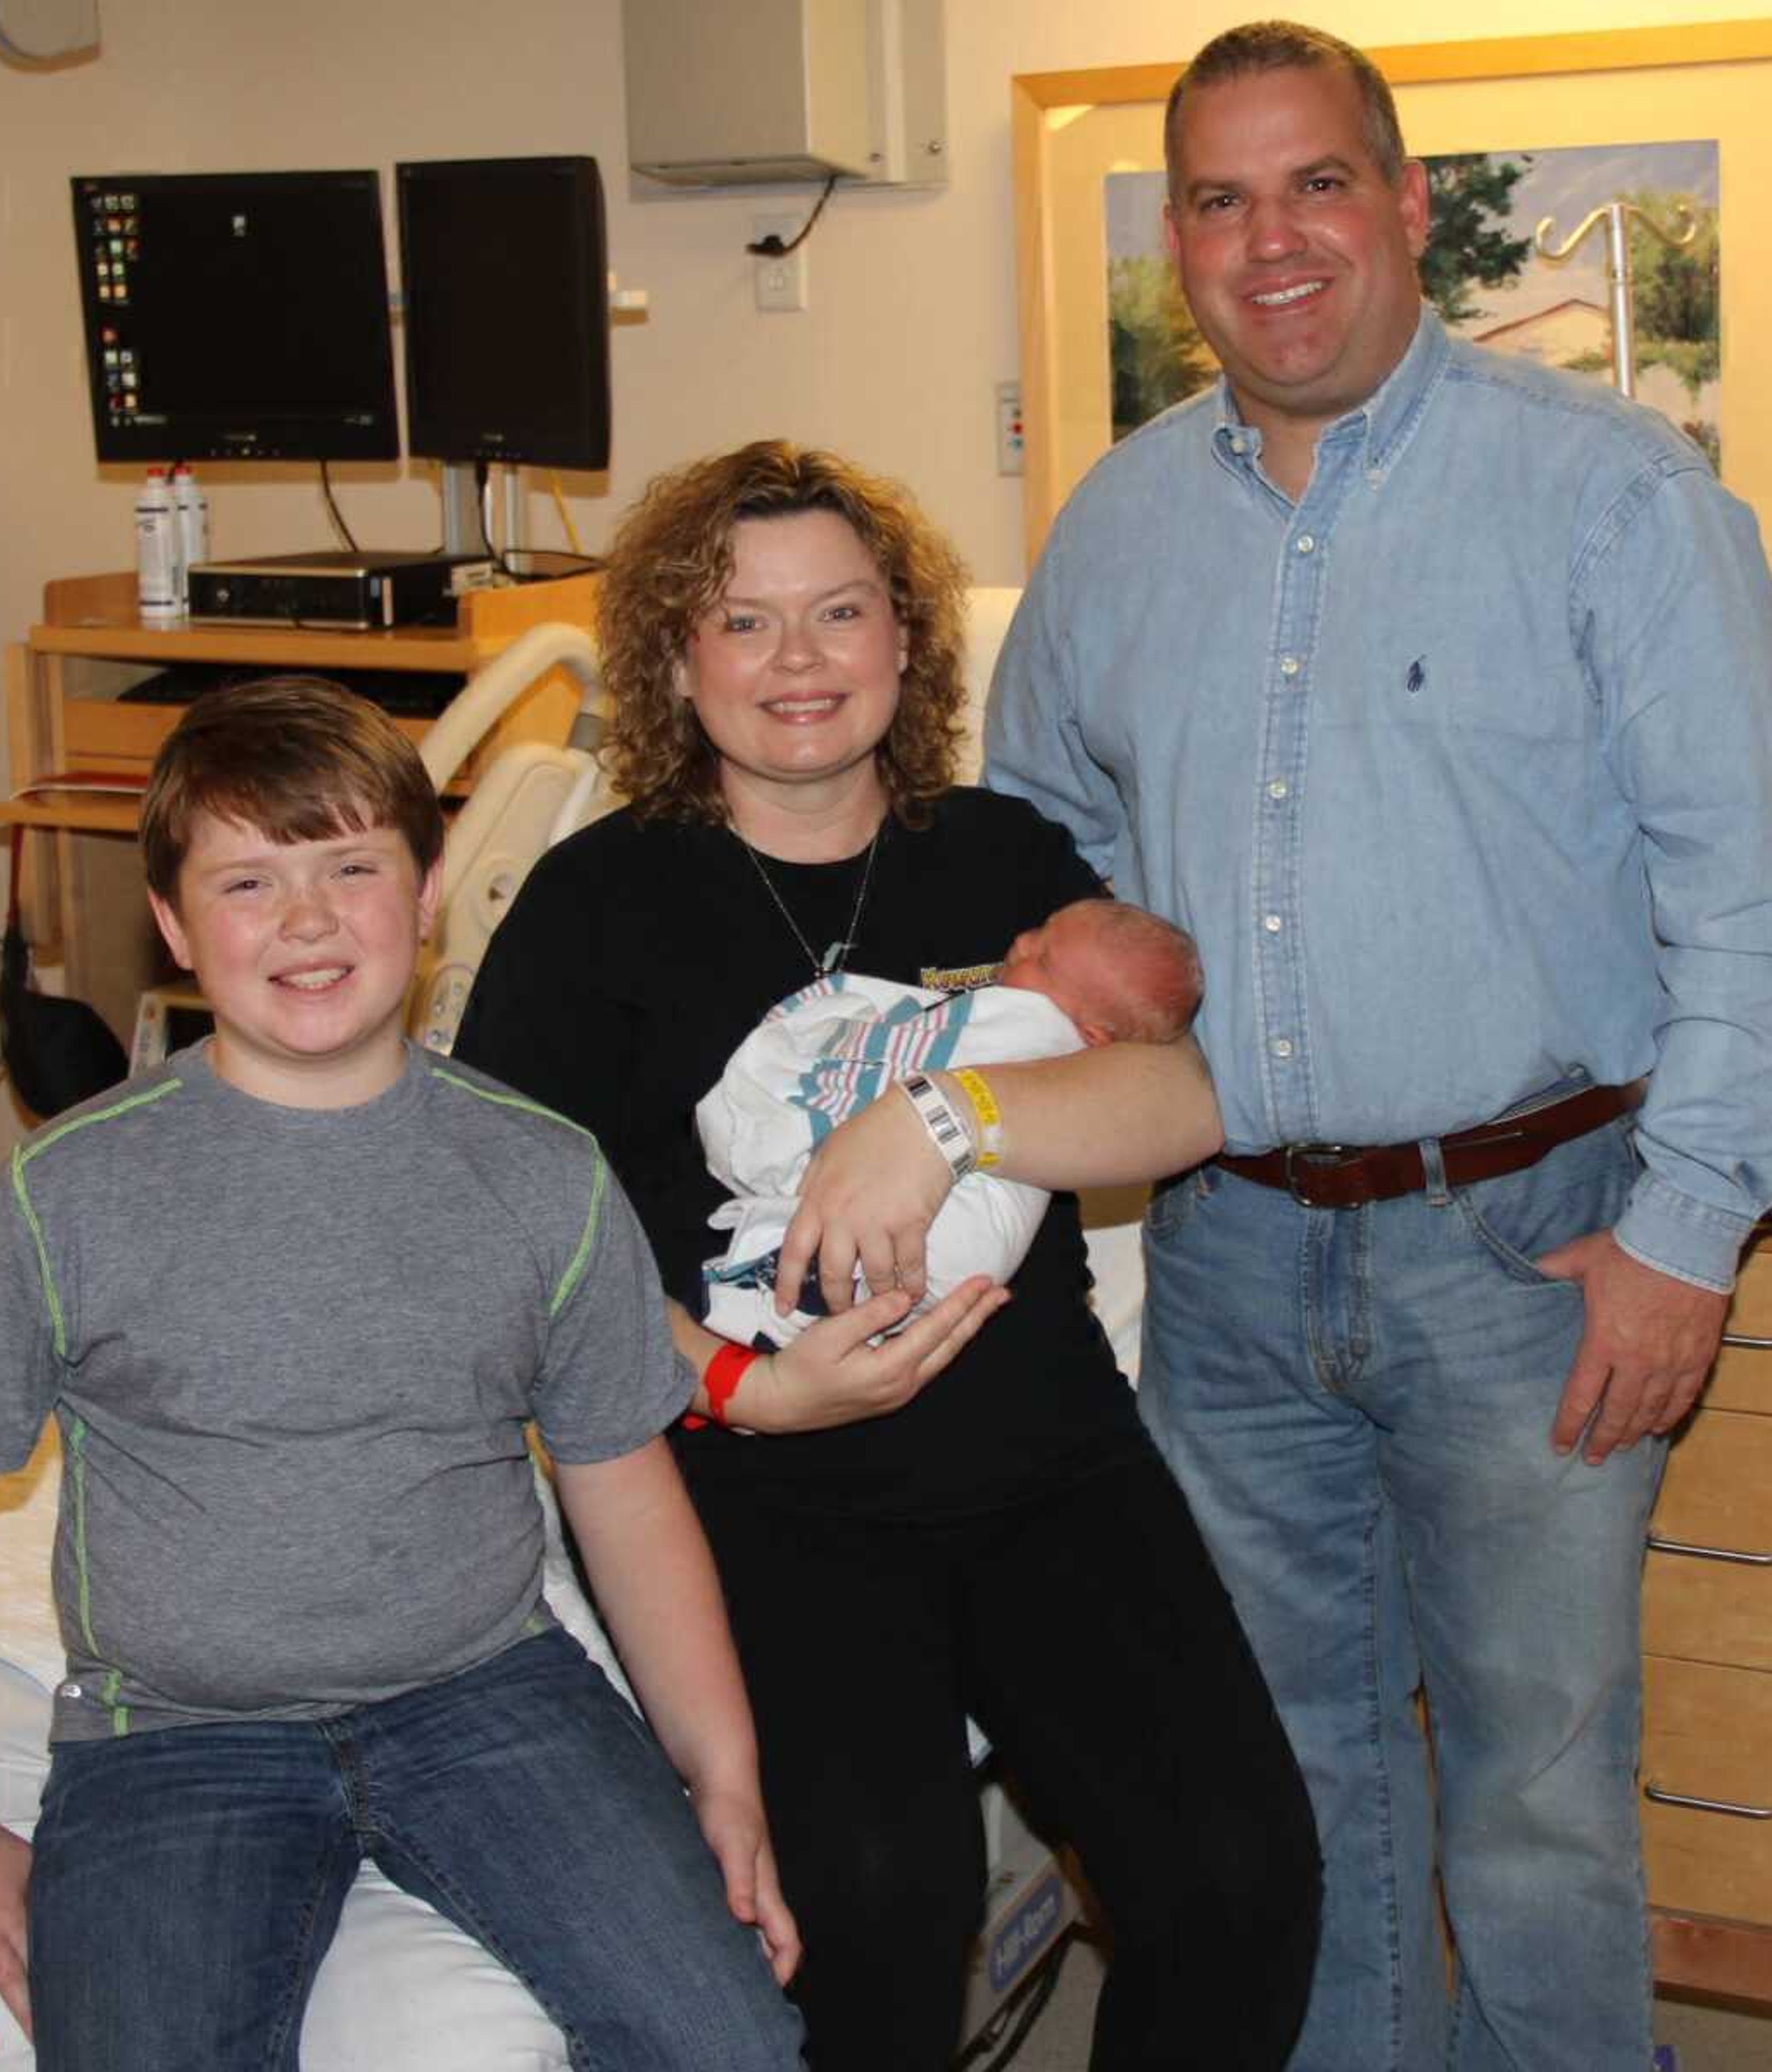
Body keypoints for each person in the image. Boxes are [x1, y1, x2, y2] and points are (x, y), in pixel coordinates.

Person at [945, 21, 1772, 2070]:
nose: (1276, 243)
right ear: (1181, 234)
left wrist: (1688, 1232)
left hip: (1531, 1252)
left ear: (1410, 203)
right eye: (1225, 198)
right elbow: (1045, 835)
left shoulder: (1611, 497)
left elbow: (1762, 896)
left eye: (1320, 183)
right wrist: (1060, 967)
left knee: (1534, 1807)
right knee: (1299, 1791)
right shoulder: (1117, 527)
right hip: (1234, 1252)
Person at [454, 441, 1321, 2071]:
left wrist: (940, 1118)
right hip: (754, 1490)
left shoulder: (999, 858)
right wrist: (741, 1390)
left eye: (838, 613)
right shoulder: (594, 907)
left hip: (1044, 1465)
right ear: (673, 656)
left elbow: (1181, 1095)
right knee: (872, 1917)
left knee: (1239, 1883)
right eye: (745, 622)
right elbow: (512, 1245)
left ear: (905, 642)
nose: (798, 663)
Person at [0, 678, 806, 2071]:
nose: (306, 919)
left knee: (728, 2039)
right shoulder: (75, 1192)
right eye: (249, 880)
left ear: (424, 898)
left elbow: (624, 1482)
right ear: (174, 926)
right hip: (173, 1735)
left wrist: (722, 1770)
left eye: (352, 867)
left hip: (486, 1694)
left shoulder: (541, 1172)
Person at [697, 899, 1201, 1348]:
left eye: (1043, 959)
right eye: (1040, 929)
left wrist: (938, 1113)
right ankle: (798, 1284)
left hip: (971, 1231)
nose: (1022, 944)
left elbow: (1188, 1098)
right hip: (898, 1203)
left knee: (944, 1240)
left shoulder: (1043, 1033)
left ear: (1091, 1037)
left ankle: (804, 1290)